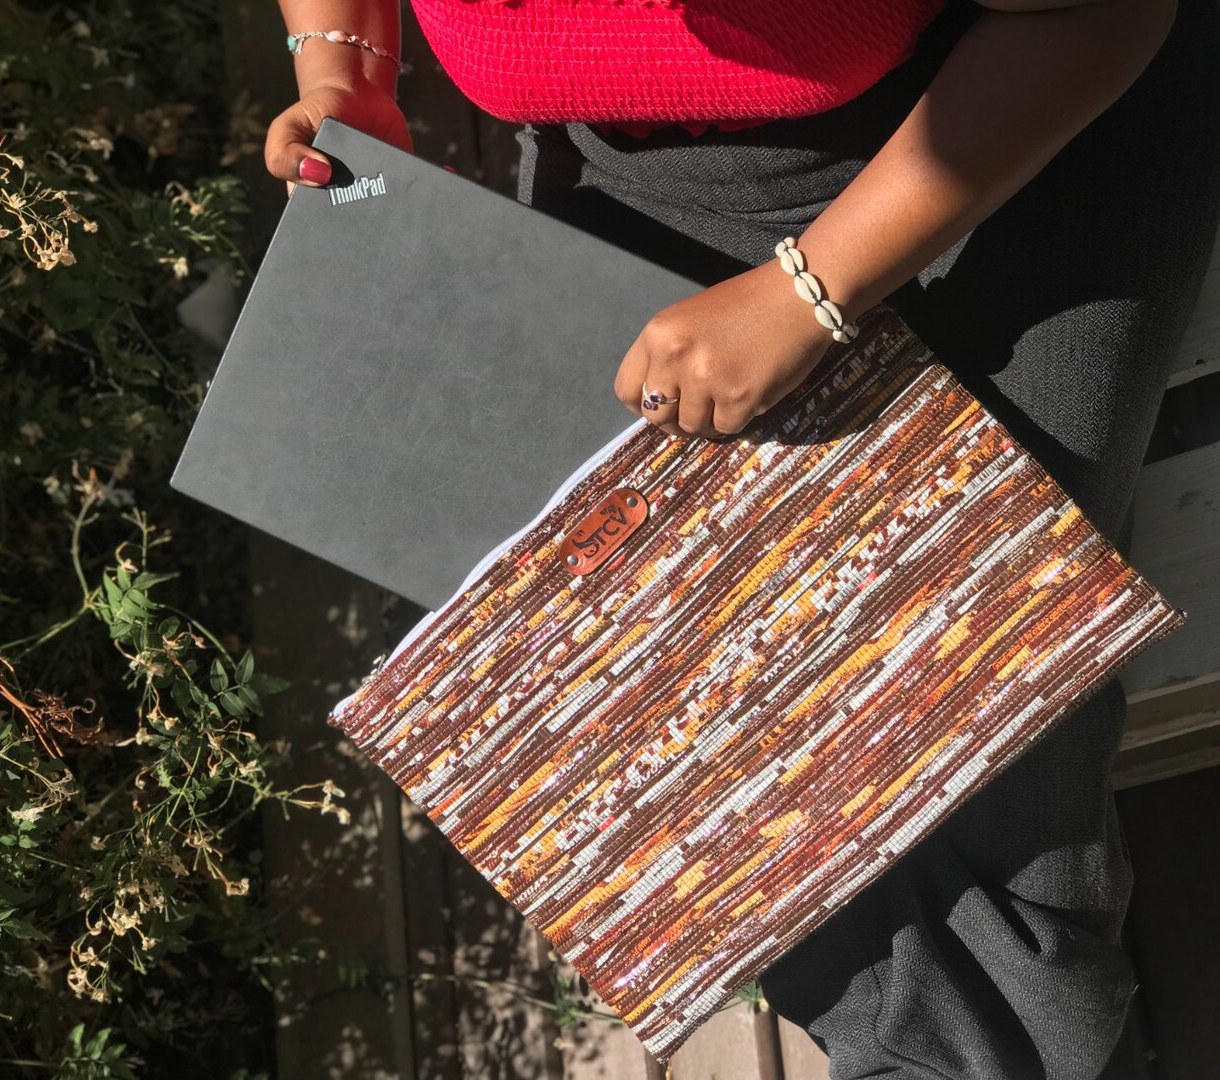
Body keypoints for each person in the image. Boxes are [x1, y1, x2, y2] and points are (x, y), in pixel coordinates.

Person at [263, 0, 1220, 1075]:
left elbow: (1098, 16)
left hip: (1003, 131)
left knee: (944, 694)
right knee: (658, 714)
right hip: (629, 172)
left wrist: (809, 296)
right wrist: (343, 70)